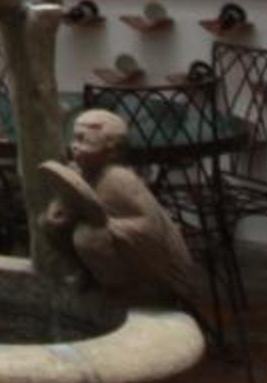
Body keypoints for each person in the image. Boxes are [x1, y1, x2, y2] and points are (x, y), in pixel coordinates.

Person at [40, 107, 196, 308]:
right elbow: (69, 200)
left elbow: (152, 228)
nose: (75, 147)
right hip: (115, 243)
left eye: (84, 140)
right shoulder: (81, 172)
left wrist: (107, 225)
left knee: (88, 237)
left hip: (151, 259)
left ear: (111, 148)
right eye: (74, 139)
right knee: (48, 223)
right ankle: (86, 274)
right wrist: (58, 211)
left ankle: (122, 291)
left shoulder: (118, 179)